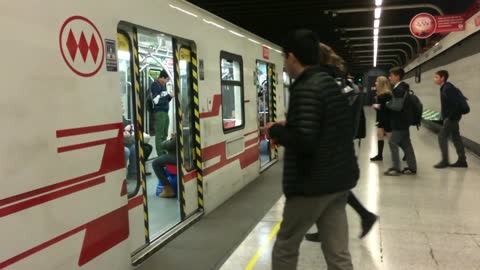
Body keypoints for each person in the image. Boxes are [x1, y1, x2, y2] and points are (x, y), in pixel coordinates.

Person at [268, 29, 358, 270]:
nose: (284, 65)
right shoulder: (328, 83)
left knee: (285, 246)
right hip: (339, 182)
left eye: (283, 58)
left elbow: (305, 141)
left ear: (292, 57)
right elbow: (333, 126)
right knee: (338, 253)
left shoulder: (305, 87)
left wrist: (275, 131)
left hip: (313, 184)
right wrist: (294, 124)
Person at [305, 43, 377, 243]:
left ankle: (363, 217)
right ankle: (364, 216)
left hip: (329, 146)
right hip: (339, 144)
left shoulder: (325, 83)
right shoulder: (343, 81)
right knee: (334, 189)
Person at [384, 67, 417, 176]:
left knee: (392, 142)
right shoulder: (404, 87)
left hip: (399, 122)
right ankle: (412, 168)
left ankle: (396, 168)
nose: (390, 78)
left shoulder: (399, 89)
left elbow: (397, 107)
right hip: (404, 120)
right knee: (407, 144)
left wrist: (387, 104)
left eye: (391, 75)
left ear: (397, 76)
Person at [433, 70, 468, 168]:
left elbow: (455, 104)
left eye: (436, 77)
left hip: (451, 118)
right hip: (452, 118)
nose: (434, 79)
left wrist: (449, 117)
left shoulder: (447, 88)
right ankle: (462, 160)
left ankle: (445, 161)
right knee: (456, 137)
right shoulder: (445, 87)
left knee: (441, 136)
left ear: (442, 78)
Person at [151, 70, 173, 155]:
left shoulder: (163, 85)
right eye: (167, 79)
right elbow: (156, 101)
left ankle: (164, 150)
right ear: (163, 77)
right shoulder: (155, 85)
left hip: (165, 111)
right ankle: (160, 153)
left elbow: (165, 99)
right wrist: (169, 96)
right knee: (159, 134)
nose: (168, 81)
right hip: (159, 112)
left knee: (165, 133)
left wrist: (170, 96)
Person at [370, 76, 393, 161]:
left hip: (387, 119)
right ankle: (379, 155)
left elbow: (385, 108)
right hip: (381, 119)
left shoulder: (386, 94)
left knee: (391, 139)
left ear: (381, 83)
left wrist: (376, 106)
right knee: (379, 135)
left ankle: (404, 152)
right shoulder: (381, 94)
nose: (375, 83)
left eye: (377, 82)